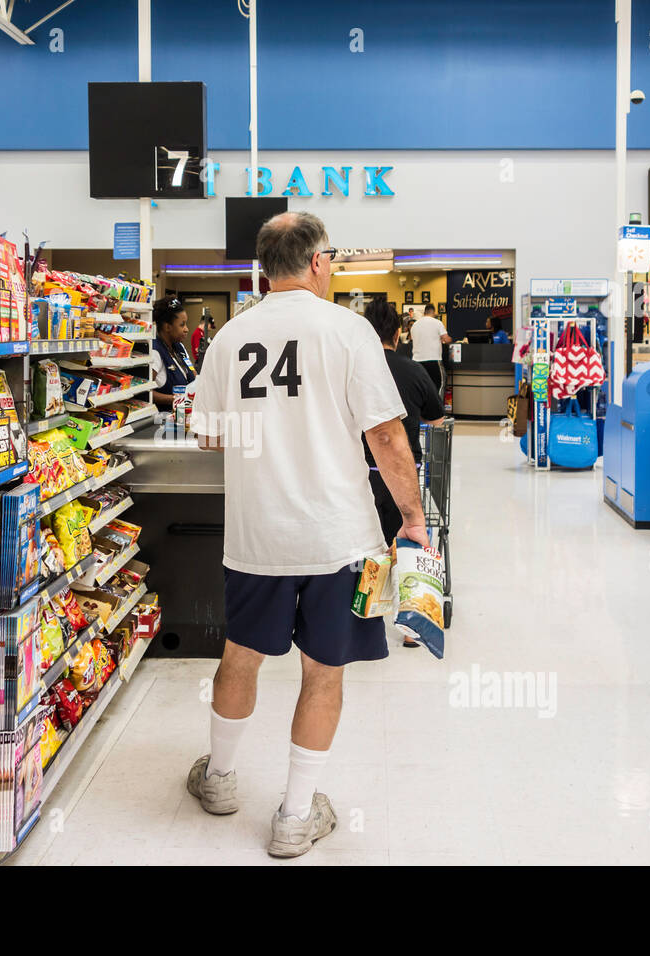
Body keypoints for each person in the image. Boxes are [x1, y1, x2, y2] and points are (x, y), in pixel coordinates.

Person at [187, 211, 428, 858]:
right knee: (324, 672)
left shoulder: (228, 338)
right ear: (319, 262)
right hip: (337, 539)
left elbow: (208, 434)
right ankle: (295, 816)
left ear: (263, 267)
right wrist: (411, 517)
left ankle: (219, 781)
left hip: (256, 536)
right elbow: (386, 436)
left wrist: (263, 433)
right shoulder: (348, 332)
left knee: (241, 655)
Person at [361, 300, 445, 647]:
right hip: (402, 472)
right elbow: (436, 419)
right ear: (399, 333)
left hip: (360, 472)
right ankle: (412, 622)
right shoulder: (413, 370)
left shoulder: (356, 370)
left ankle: (365, 612)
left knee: (367, 539)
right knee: (405, 538)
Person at [150, 295, 197, 410]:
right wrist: (175, 399)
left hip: (186, 415)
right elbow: (145, 392)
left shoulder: (179, 347)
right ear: (167, 327)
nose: (186, 329)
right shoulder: (155, 351)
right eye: (182, 325)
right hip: (164, 419)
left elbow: (193, 373)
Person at [411, 302, 451, 393]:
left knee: (421, 389)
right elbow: (447, 339)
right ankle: (437, 407)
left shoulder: (415, 325)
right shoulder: (437, 323)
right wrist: (447, 339)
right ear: (433, 312)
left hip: (417, 362)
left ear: (424, 312)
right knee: (439, 386)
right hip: (433, 360)